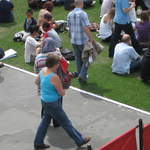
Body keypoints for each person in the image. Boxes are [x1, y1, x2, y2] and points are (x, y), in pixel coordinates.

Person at [34, 54, 91, 149]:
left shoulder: (42, 71)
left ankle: (38, 143)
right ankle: (79, 140)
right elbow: (62, 93)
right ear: (54, 64)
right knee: (66, 123)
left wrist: (47, 88)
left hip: (44, 101)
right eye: (58, 64)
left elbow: (36, 82)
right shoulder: (54, 77)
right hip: (53, 104)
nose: (59, 65)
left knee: (45, 122)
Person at [67, 0, 93, 83]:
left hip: (74, 40)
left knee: (78, 59)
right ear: (82, 4)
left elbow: (69, 28)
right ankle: (82, 75)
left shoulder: (70, 14)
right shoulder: (83, 14)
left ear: (75, 4)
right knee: (88, 58)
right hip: (83, 40)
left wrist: (71, 36)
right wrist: (91, 38)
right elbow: (86, 28)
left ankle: (81, 75)